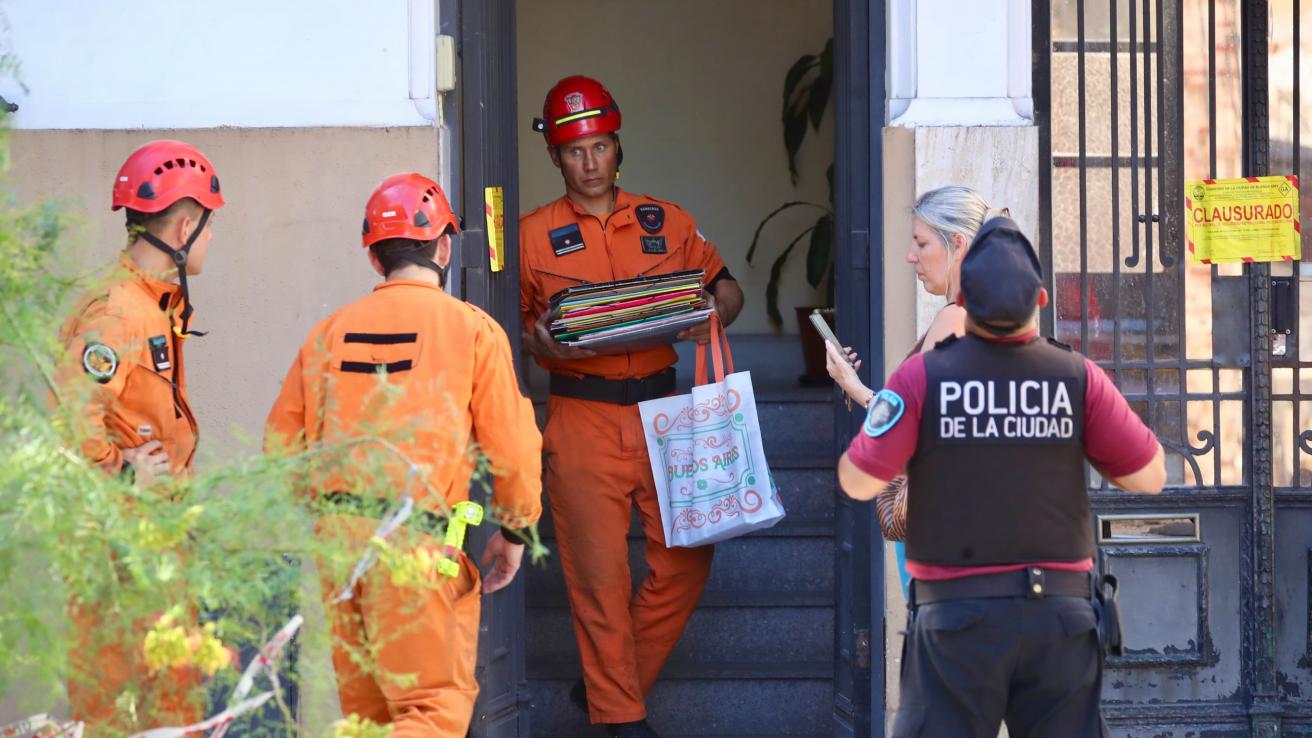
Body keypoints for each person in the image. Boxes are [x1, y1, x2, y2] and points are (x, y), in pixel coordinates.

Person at [836, 216, 1166, 738]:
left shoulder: (924, 376)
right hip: (1059, 621)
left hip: (954, 624)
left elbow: (857, 480)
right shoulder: (1078, 377)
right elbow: (1149, 477)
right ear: (1039, 300)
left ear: (966, 301)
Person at [265, 173, 543, 737]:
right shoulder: (471, 330)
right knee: (433, 710)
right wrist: (515, 531)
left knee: (368, 718)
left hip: (340, 549)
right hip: (416, 546)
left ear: (375, 258)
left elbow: (281, 449)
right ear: (445, 245)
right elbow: (512, 447)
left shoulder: (328, 333)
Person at [519, 75, 744, 738]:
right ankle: (622, 721)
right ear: (556, 159)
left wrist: (710, 310)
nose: (589, 163)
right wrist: (538, 343)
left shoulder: (666, 220)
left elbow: (727, 289)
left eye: (600, 146)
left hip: (663, 415)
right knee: (598, 581)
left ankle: (604, 692)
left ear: (620, 147)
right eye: (573, 151)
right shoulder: (531, 236)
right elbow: (518, 330)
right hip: (581, 417)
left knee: (688, 557)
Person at [57, 139, 226, 733]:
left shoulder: (156, 306)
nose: (210, 239)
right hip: (119, 546)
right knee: (116, 705)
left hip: (156, 540)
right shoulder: (117, 312)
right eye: (208, 227)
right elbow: (69, 418)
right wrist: (123, 473)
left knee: (172, 699)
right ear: (183, 228)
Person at [824, 185, 995, 578]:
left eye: (921, 243)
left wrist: (854, 386)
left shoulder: (955, 319)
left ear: (958, 244)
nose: (911, 257)